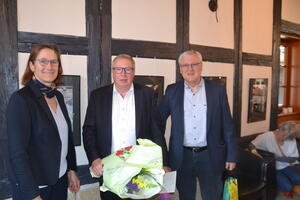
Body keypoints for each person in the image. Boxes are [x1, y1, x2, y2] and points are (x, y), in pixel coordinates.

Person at [82, 54, 167, 200]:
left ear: (134, 72)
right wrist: (94, 159)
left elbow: (156, 131)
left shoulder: (147, 95)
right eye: (119, 69)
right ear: (113, 72)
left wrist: (164, 163)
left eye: (128, 69)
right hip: (109, 169)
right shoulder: (98, 96)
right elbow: (89, 130)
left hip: (139, 170)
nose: (123, 73)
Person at [159, 50, 237, 200]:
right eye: (185, 65)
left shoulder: (217, 90)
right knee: (186, 195)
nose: (190, 69)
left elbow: (228, 125)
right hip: (182, 156)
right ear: (180, 69)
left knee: (213, 195)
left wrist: (231, 155)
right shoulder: (172, 91)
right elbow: (158, 123)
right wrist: (161, 158)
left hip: (210, 154)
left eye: (194, 64)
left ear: (201, 66)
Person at [6, 43, 80, 200]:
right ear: (32, 65)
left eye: (54, 62)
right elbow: (17, 153)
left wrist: (71, 170)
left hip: (59, 181)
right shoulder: (21, 99)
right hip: (36, 187)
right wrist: (32, 194)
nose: (49, 66)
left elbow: (65, 137)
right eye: (43, 61)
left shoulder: (58, 96)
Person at [249, 121, 300, 199]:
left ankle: (289, 184)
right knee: (287, 187)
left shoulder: (291, 139)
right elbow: (251, 145)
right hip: (271, 167)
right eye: (283, 135)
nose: (284, 138)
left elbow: (293, 159)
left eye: (288, 137)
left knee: (298, 179)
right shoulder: (267, 136)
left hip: (284, 166)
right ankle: (287, 187)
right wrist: (254, 152)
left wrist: (277, 158)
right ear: (280, 129)